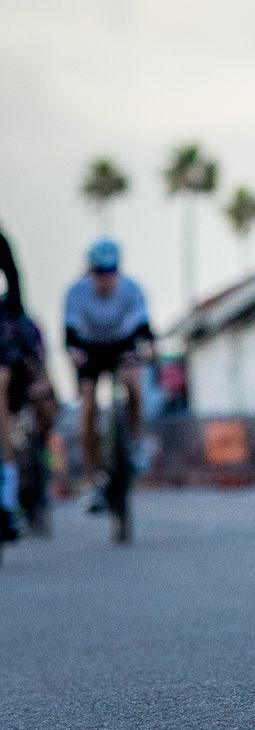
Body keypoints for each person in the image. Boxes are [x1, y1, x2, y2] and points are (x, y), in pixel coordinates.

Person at [63, 239, 154, 508]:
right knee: (88, 406)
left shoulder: (131, 289)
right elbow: (69, 337)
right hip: (89, 349)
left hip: (121, 345)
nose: (105, 280)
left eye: (111, 272)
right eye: (99, 273)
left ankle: (135, 442)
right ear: (89, 272)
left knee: (133, 383)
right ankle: (94, 478)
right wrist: (76, 356)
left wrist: (145, 350)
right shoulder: (75, 293)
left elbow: (144, 329)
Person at [1, 223, 54, 540]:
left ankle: (37, 465)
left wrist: (43, 389)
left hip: (20, 385)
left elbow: (39, 366)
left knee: (44, 404)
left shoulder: (21, 322)